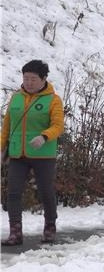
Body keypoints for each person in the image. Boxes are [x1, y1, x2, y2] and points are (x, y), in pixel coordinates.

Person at [1, 60, 65, 246]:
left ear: (44, 79)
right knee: (13, 193)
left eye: (33, 79)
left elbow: (58, 125)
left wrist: (44, 136)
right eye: (25, 78)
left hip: (43, 155)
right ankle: (15, 232)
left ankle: (50, 228)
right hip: (17, 154)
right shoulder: (16, 98)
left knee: (46, 192)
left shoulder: (53, 100)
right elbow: (7, 125)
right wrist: (1, 147)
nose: (28, 82)